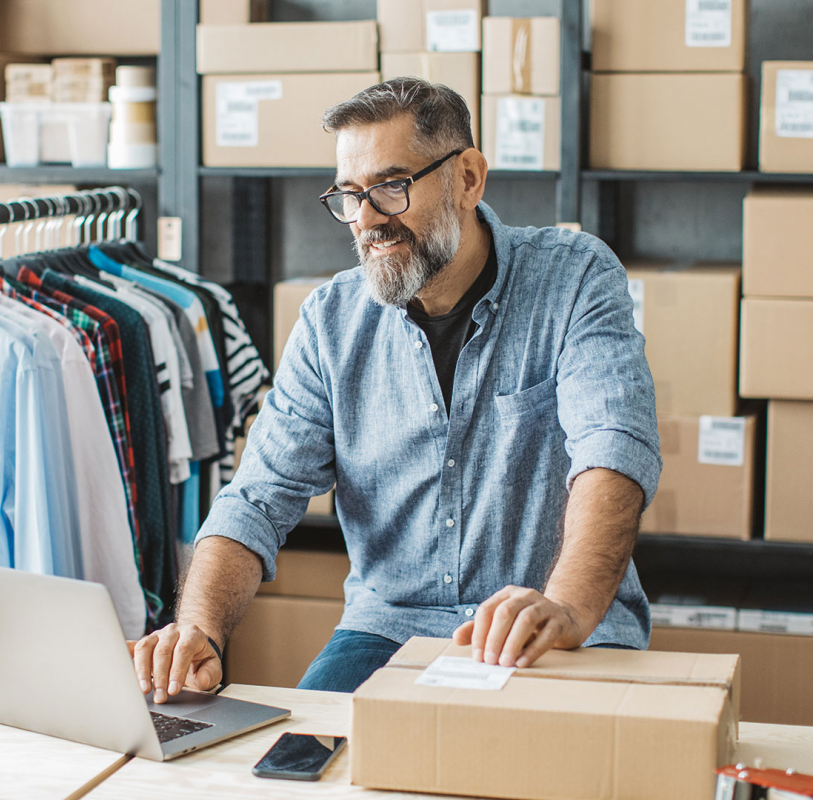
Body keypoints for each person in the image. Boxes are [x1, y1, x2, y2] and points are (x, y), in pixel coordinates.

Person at [132, 77, 661, 701]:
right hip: (388, 634)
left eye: (390, 187)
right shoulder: (330, 321)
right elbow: (258, 497)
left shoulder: (575, 278)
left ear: (468, 178)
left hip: (551, 628)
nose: (366, 221)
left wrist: (569, 606)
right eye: (349, 196)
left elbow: (612, 452)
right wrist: (198, 628)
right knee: (296, 772)